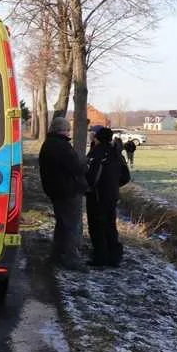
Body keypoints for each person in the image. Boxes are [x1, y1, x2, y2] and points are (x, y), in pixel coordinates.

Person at [38, 115, 88, 269]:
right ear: (62, 130)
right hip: (67, 191)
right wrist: (85, 165)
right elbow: (76, 168)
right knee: (70, 226)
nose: (69, 133)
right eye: (67, 130)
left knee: (62, 224)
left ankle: (57, 255)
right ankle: (70, 259)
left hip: (54, 190)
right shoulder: (63, 147)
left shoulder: (48, 144)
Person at [85, 126, 130, 267]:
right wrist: (114, 186)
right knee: (110, 226)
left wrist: (88, 187)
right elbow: (126, 176)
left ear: (97, 138)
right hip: (112, 195)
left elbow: (91, 177)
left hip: (97, 196)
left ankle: (100, 258)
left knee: (97, 227)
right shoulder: (116, 153)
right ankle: (114, 257)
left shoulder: (96, 154)